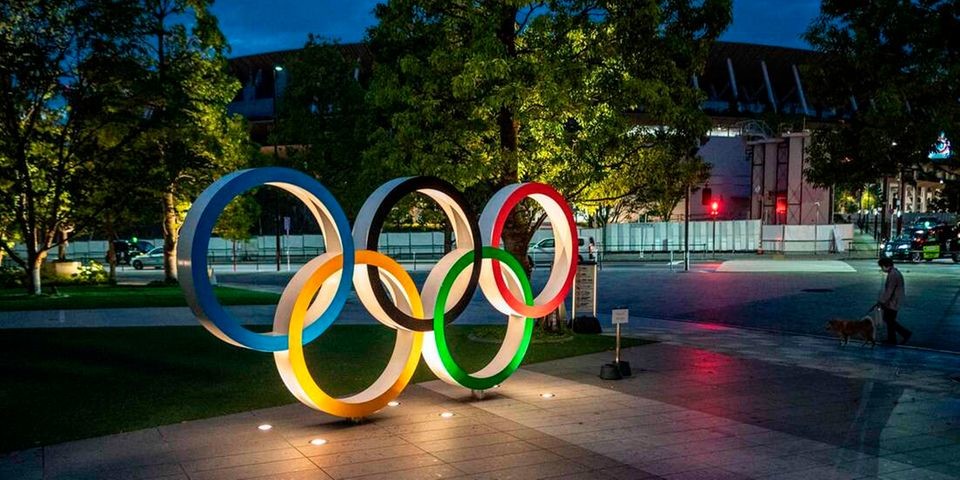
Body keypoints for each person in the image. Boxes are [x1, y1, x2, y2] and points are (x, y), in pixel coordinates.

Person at [876, 257, 911, 345]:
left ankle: (902, 334)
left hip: (893, 301)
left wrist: (882, 301)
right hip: (894, 300)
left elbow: (889, 290)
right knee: (889, 320)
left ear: (886, 266)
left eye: (882, 267)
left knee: (889, 320)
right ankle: (893, 338)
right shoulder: (894, 273)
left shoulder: (892, 275)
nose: (882, 269)